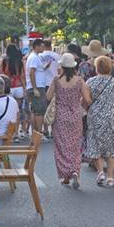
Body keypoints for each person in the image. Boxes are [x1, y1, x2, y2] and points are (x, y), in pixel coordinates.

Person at [83, 56, 114, 187]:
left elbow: (85, 101)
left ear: (97, 68)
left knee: (96, 145)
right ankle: (110, 177)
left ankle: (100, 171)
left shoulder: (90, 82)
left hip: (95, 117)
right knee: (112, 148)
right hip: (113, 118)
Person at [47, 53, 85, 188]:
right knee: (75, 145)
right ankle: (75, 170)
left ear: (62, 66)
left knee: (61, 146)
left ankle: (65, 176)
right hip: (75, 116)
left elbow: (48, 96)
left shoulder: (57, 80)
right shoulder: (79, 80)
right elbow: (87, 99)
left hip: (60, 116)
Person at [26, 39, 51, 142]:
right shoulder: (34, 58)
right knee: (39, 111)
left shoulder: (35, 57)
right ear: (36, 46)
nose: (43, 48)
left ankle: (35, 133)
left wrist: (44, 68)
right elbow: (32, 72)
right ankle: (39, 133)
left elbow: (36, 71)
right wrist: (35, 88)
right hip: (37, 87)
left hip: (36, 86)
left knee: (34, 110)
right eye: (41, 46)